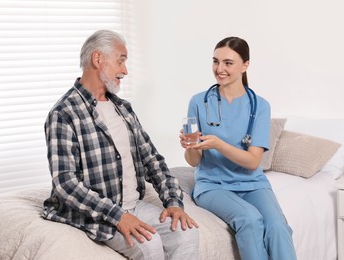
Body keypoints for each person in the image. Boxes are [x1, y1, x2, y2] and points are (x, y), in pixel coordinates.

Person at [42, 29, 199, 260]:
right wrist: (118, 216)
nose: (125, 70)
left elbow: (152, 161)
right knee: (150, 244)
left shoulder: (123, 109)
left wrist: (173, 202)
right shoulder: (64, 113)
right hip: (97, 214)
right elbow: (66, 183)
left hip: (134, 206)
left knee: (187, 232)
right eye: (121, 61)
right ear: (98, 59)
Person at [180, 36, 297, 260]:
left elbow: (253, 161)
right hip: (213, 185)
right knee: (250, 220)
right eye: (215, 61)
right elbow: (194, 161)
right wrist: (190, 145)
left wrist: (218, 144)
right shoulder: (199, 101)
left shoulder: (259, 106)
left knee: (278, 228)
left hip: (252, 183)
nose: (219, 69)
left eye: (228, 63)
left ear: (245, 65)